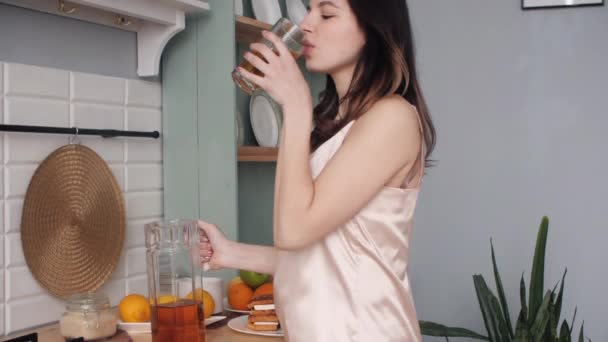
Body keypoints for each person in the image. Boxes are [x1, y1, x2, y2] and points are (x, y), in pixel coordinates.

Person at [198, 0, 436, 340]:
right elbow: (319, 256)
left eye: (326, 14)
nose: (306, 24)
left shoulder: (392, 117)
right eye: (308, 9)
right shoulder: (338, 124)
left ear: (373, 27)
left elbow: (292, 232)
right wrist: (230, 252)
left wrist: (295, 106)